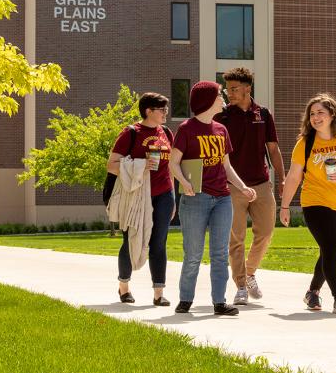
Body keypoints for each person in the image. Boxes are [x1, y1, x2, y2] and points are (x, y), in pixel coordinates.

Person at [169, 80, 257, 316]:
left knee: (219, 254)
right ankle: (185, 299)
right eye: (219, 95)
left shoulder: (221, 130)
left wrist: (242, 187)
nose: (223, 98)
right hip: (196, 198)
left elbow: (226, 166)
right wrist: (185, 183)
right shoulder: (187, 129)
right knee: (194, 254)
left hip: (222, 199)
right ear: (207, 100)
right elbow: (173, 162)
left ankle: (219, 302)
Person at [279, 93, 336, 314]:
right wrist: (285, 206)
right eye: (312, 113)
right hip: (316, 202)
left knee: (332, 251)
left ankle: (313, 292)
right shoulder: (305, 144)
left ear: (332, 115)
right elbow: (293, 177)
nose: (315, 117)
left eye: (320, 113)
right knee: (330, 248)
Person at [214, 67, 285, 305]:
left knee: (265, 232)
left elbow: (273, 150)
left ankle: (250, 271)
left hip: (262, 184)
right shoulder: (221, 117)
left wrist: (282, 179)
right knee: (236, 238)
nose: (229, 93)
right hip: (233, 186)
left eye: (234, 89)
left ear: (247, 88)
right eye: (227, 89)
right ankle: (241, 286)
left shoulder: (263, 114)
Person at [107, 92, 175, 306]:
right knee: (131, 240)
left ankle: (158, 293)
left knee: (159, 243)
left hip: (164, 193)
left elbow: (170, 166)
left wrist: (172, 197)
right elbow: (112, 165)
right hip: (136, 195)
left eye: (166, 109)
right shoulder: (131, 133)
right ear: (148, 111)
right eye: (161, 109)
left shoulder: (166, 133)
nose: (166, 113)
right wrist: (138, 165)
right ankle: (124, 286)